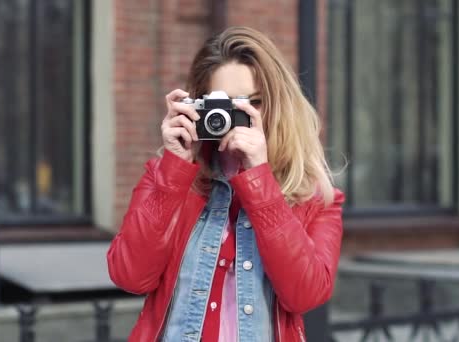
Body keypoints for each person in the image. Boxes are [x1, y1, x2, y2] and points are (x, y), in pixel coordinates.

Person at [107, 26, 344, 342]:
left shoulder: (315, 197)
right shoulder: (169, 178)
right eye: (225, 105)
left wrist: (259, 180)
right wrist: (175, 167)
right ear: (199, 106)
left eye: (254, 103)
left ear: (280, 104)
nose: (238, 117)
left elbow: (305, 295)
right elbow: (130, 276)